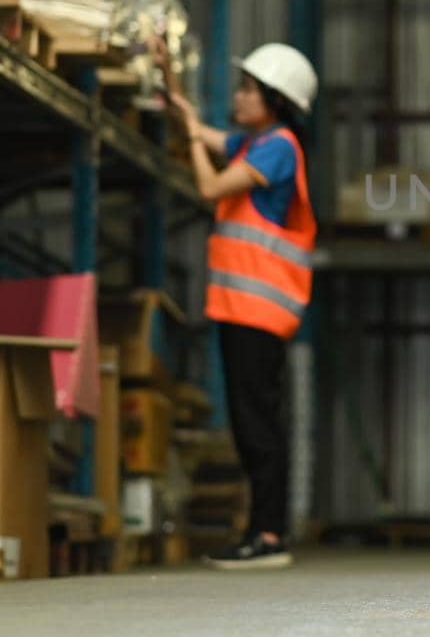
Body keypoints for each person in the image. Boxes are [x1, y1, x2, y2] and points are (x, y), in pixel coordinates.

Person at [162, 42, 319, 571]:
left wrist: (189, 133)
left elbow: (208, 185)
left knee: (257, 427)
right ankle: (263, 531)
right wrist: (173, 86)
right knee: (251, 424)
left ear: (275, 100)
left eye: (249, 89)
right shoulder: (257, 142)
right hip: (241, 310)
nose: (238, 95)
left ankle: (268, 535)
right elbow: (204, 134)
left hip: (257, 312)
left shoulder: (276, 147)